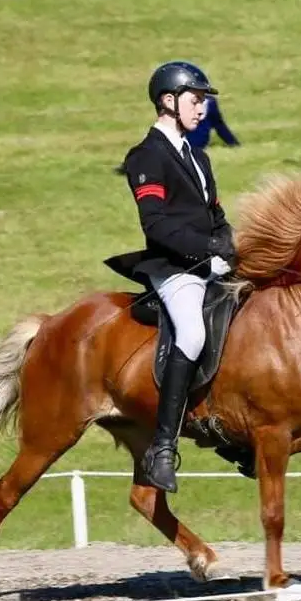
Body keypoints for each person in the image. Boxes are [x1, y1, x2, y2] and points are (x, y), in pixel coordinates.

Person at [105, 61, 237, 493]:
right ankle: (163, 448)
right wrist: (207, 249)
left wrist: (228, 244)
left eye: (203, 102)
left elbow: (216, 215)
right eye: (195, 100)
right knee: (193, 334)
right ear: (169, 101)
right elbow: (156, 225)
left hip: (210, 265)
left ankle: (234, 435)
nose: (202, 109)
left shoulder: (198, 157)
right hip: (174, 270)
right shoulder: (145, 157)